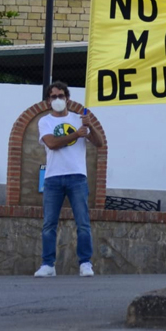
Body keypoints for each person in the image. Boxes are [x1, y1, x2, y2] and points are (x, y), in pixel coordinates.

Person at [34, 82, 105, 278]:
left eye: (61, 96)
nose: (57, 99)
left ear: (67, 98)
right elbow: (51, 143)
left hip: (77, 176)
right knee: (49, 223)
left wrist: (90, 126)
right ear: (48, 101)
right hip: (53, 177)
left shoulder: (79, 119)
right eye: (53, 96)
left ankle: (85, 263)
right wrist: (76, 134)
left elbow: (99, 143)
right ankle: (48, 264)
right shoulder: (45, 121)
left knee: (83, 222)